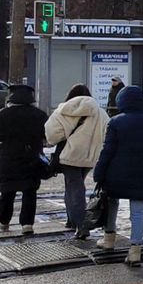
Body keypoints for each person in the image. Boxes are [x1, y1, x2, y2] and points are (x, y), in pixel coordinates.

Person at [91, 85, 143, 266]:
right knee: (137, 211)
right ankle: (135, 250)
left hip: (115, 173)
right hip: (142, 173)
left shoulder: (115, 122)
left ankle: (109, 239)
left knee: (111, 204)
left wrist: (99, 172)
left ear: (121, 102)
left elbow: (107, 151)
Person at [46, 84, 110, 233]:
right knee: (76, 186)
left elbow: (52, 136)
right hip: (90, 156)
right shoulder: (100, 112)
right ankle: (72, 220)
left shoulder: (62, 111)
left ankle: (80, 224)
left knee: (74, 187)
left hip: (69, 156)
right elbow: (108, 132)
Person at [0, 84, 48, 235]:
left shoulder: (4, 115)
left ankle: (4, 221)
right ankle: (27, 224)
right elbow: (48, 133)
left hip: (9, 158)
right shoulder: (39, 115)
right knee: (30, 191)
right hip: (31, 157)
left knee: (7, 191)